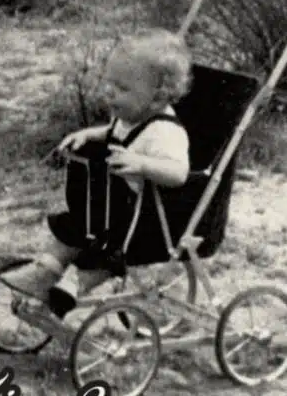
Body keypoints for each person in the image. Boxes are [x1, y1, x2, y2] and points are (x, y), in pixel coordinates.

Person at [10, 29, 193, 317]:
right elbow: (111, 132)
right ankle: (45, 271)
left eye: (122, 88)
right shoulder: (130, 117)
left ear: (157, 97)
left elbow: (179, 172)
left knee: (107, 247)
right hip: (114, 207)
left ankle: (75, 284)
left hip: (144, 218)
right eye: (109, 83)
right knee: (74, 225)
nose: (109, 92)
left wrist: (143, 164)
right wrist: (88, 134)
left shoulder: (164, 131)